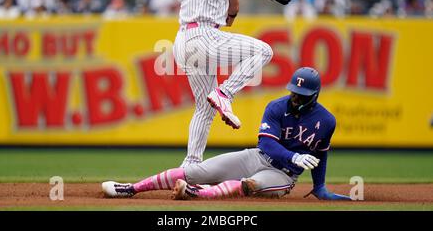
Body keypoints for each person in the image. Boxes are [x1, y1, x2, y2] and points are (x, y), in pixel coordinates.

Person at [102, 67, 351, 201]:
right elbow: (265, 143)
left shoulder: (326, 120)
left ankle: (195, 193)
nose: (295, 98)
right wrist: (294, 157)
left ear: (314, 95)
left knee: (249, 185)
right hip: (259, 157)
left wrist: (319, 186)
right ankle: (132, 188)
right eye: (293, 92)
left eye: (301, 95)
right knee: (197, 171)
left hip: (283, 175)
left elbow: (320, 154)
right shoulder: (276, 106)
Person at [171, 0, 297, 168]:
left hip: (182, 40)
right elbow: (233, 3)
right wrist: (230, 15)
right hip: (206, 36)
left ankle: (190, 166)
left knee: (203, 110)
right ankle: (224, 93)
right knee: (263, 51)